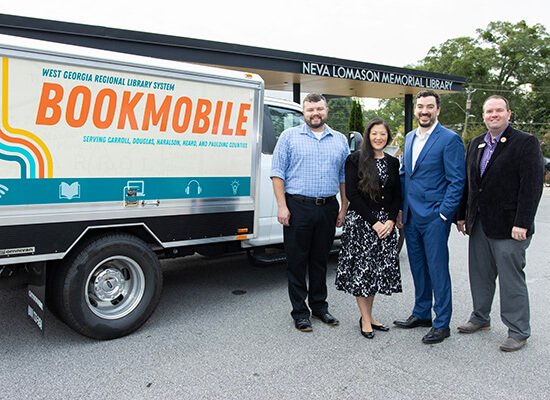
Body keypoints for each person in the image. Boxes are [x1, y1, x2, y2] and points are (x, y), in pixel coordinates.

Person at [456, 95, 544, 352]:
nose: (493, 115)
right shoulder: (475, 144)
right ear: (482, 116)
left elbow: (531, 187)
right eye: (488, 111)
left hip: (510, 226)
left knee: (510, 279)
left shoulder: (525, 143)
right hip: (480, 222)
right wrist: (462, 214)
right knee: (480, 274)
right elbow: (469, 183)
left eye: (498, 110)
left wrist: (522, 223)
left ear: (508, 113)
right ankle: (480, 318)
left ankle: (518, 331)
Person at [270, 93, 349, 332]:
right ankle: (300, 312)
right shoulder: (289, 137)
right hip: (298, 207)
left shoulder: (340, 140)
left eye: (319, 109)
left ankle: (319, 307)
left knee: (319, 261)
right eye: (310, 109)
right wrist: (282, 206)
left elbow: (344, 177)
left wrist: (344, 206)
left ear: (326, 111)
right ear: (304, 113)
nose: (315, 113)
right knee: (296, 261)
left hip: (327, 207)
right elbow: (277, 173)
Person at [394, 90, 466, 344]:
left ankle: (442, 322)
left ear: (438, 110)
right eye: (420, 106)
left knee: (437, 269)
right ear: (415, 110)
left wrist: (445, 214)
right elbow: (405, 175)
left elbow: (457, 181)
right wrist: (401, 209)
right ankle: (421, 313)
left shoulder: (450, 139)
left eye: (430, 107)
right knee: (417, 268)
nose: (424, 111)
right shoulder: (411, 137)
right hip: (411, 216)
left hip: (435, 217)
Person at [335, 118, 402, 339]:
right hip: (363, 225)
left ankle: (370, 315)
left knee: (374, 273)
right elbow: (352, 194)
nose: (378, 138)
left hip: (385, 226)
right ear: (367, 135)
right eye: (374, 133)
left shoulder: (393, 162)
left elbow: (397, 195)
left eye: (382, 134)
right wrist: (375, 222)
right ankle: (365, 318)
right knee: (362, 274)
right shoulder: (354, 160)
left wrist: (391, 221)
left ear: (387, 136)